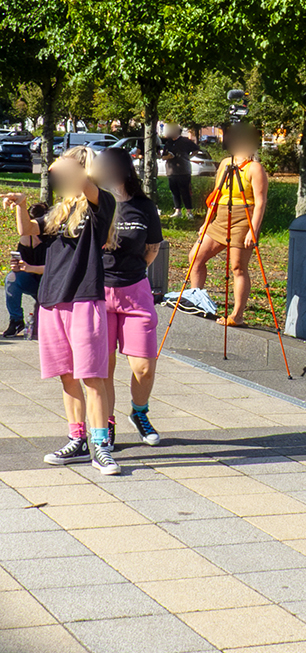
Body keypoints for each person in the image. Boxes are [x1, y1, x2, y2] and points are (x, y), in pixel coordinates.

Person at [1, 147, 121, 474]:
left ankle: (101, 445)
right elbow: (28, 231)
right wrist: (22, 206)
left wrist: (64, 163)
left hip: (84, 299)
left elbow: (82, 181)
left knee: (92, 377)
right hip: (52, 301)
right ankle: (77, 439)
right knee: (67, 376)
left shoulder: (101, 203)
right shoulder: (59, 211)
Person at [94, 147, 164, 449]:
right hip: (98, 293)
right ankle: (106, 423)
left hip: (135, 292)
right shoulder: (95, 203)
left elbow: (153, 248)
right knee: (103, 366)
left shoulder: (143, 206)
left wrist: (132, 273)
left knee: (144, 367)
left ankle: (139, 413)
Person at [188, 124, 268, 327]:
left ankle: (237, 315)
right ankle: (197, 302)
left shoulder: (255, 168)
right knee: (195, 256)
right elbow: (216, 195)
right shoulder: (225, 163)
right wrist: (206, 223)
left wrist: (253, 230)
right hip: (221, 216)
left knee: (237, 267)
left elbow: (260, 202)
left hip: (243, 219)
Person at [3, 201, 48, 338]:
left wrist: (30, 268)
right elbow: (22, 266)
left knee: (42, 331)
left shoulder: (53, 240)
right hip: (33, 280)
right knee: (11, 278)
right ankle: (16, 320)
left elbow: (55, 269)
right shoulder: (25, 238)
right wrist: (16, 267)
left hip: (51, 283)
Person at [161, 124, 200, 219]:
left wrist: (189, 157)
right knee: (174, 191)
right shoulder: (168, 143)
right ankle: (177, 210)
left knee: (185, 191)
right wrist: (168, 157)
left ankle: (189, 211)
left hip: (183, 171)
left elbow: (196, 149)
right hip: (171, 171)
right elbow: (163, 156)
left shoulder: (185, 141)